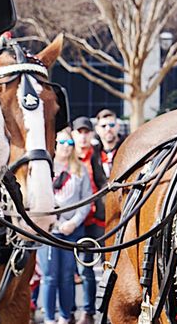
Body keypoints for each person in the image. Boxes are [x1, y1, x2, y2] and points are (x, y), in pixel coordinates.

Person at [38, 130, 94, 324]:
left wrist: (73, 222)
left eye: (70, 141)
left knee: (67, 276)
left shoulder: (79, 169)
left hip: (72, 231)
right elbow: (37, 199)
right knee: (50, 276)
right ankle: (48, 318)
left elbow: (86, 200)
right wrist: (55, 221)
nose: (66, 145)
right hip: (49, 230)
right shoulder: (44, 168)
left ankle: (64, 316)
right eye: (62, 141)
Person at [70, 116, 107, 324]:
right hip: (74, 220)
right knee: (69, 269)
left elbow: (102, 182)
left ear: (91, 134)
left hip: (95, 220)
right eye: (79, 132)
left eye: (86, 132)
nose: (83, 137)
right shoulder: (67, 156)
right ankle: (71, 310)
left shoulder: (96, 155)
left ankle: (90, 311)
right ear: (73, 134)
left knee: (89, 268)